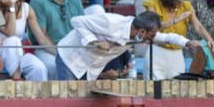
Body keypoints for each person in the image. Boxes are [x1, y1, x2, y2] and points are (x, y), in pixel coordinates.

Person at [56, 9, 193, 81]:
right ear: (142, 31)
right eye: (151, 36)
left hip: (90, 67)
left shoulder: (139, 36)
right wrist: (94, 41)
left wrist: (187, 42)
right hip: (71, 58)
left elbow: (167, 38)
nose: (153, 39)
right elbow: (76, 21)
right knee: (67, 100)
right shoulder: (111, 22)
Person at [143, 0, 214, 80]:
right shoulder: (153, 3)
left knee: (177, 94)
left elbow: (198, 27)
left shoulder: (186, 6)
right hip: (156, 53)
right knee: (154, 93)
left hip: (177, 55)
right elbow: (152, 28)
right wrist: (177, 19)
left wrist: (211, 40)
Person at [29, 0, 84, 78]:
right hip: (48, 50)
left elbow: (83, 31)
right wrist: (61, 55)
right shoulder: (39, 2)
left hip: (73, 51)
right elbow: (42, 38)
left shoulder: (75, 2)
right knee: (56, 67)